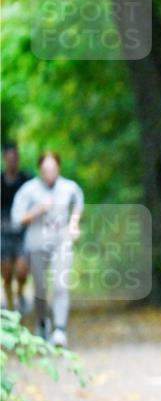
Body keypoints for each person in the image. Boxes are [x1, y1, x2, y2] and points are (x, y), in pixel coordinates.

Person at [10, 151, 84, 347]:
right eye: (45, 169)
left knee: (61, 285)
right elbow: (17, 219)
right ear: (40, 169)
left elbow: (78, 202)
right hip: (36, 243)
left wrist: (74, 224)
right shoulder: (29, 190)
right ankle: (43, 323)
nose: (49, 173)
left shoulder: (69, 187)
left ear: (58, 168)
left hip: (61, 242)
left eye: (53, 169)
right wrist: (38, 209)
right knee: (41, 288)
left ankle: (60, 329)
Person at [1, 141, 32, 314]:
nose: (12, 161)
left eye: (15, 157)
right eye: (9, 157)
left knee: (22, 269)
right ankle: (11, 306)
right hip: (3, 232)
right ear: (5, 158)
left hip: (22, 231)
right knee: (6, 273)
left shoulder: (26, 179)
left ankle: (19, 293)